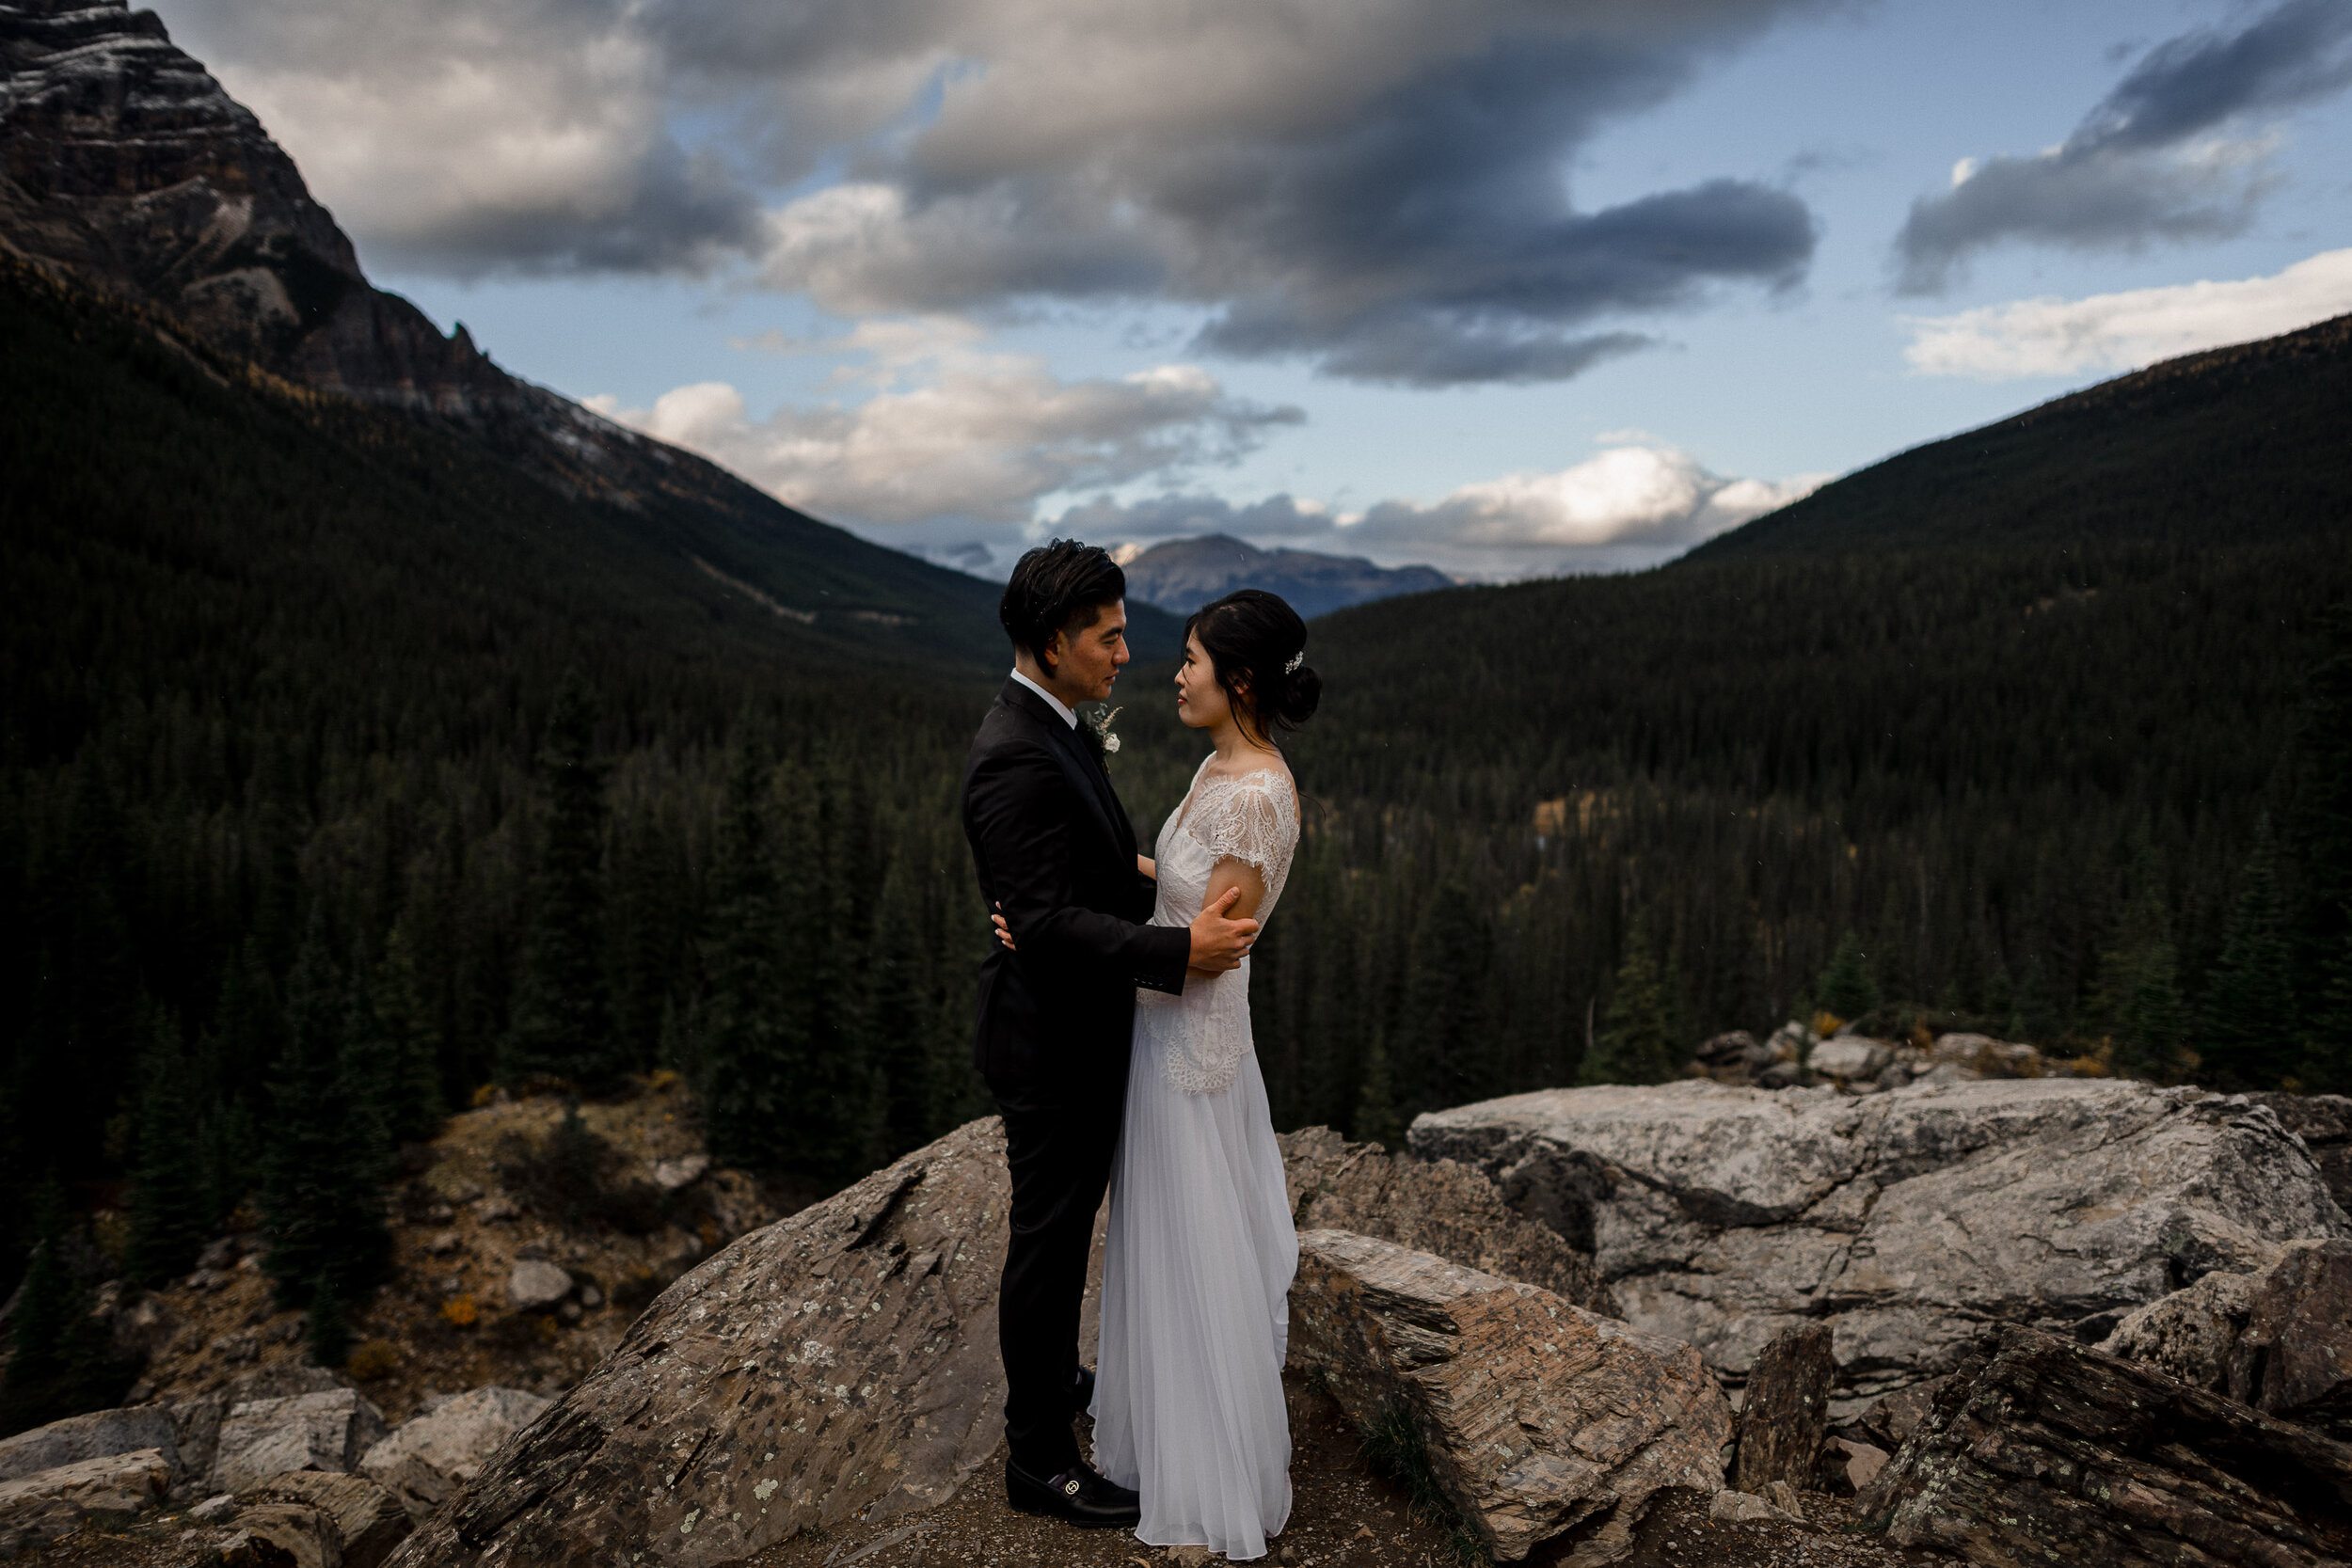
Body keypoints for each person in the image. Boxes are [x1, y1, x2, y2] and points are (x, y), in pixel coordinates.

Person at [993, 588, 1319, 1560]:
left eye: (1189, 659)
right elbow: (1173, 885)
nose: (1172, 673)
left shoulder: (1257, 792)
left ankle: (1208, 1472)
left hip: (1190, 1047)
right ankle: (1160, 1430)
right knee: (1163, 1239)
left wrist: (1053, 932)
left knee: (1192, 1243)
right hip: (1160, 1024)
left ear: (1242, 678)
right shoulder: (1220, 765)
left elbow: (1209, 946)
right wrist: (1047, 910)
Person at [960, 541, 1262, 1528]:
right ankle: (1038, 1458)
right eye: (1108, 635)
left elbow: (1063, 883)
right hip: (1049, 1044)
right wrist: (1179, 950)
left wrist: (1135, 893)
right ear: (1053, 642)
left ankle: (1057, 1377)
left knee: (1065, 1231)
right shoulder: (1013, 750)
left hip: (1081, 1029)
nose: (1126, 653)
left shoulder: (1053, 725)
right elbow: (1044, 924)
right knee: (1046, 1246)